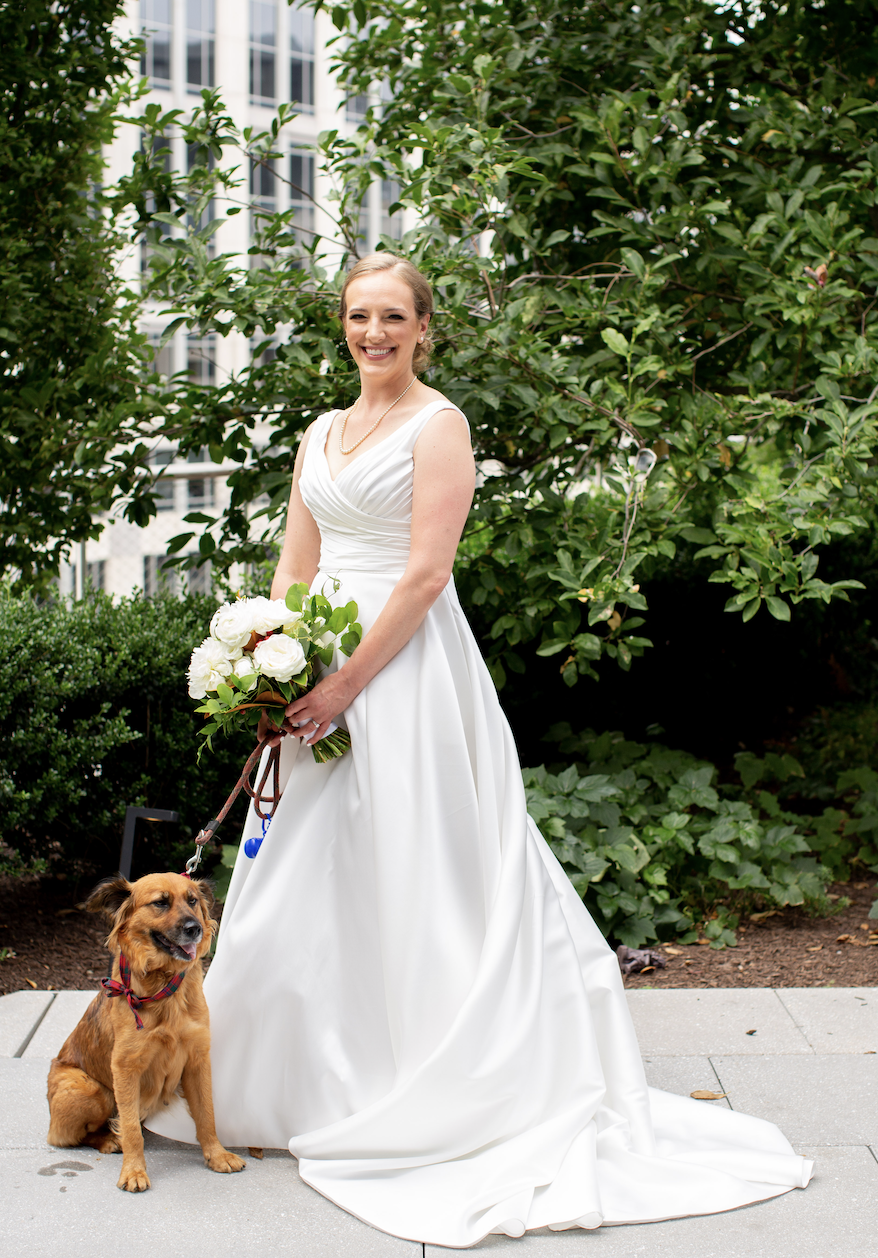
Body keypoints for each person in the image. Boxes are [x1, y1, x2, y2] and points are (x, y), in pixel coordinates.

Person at [147, 253, 812, 1247]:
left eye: (390, 318)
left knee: (421, 867)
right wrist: (271, 664)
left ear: (422, 328)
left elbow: (421, 577)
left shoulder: (439, 424)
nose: (372, 333)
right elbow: (298, 557)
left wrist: (340, 684)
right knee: (304, 871)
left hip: (403, 673)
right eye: (357, 316)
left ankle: (436, 1084)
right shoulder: (320, 432)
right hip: (315, 657)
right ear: (345, 324)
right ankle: (283, 1086)